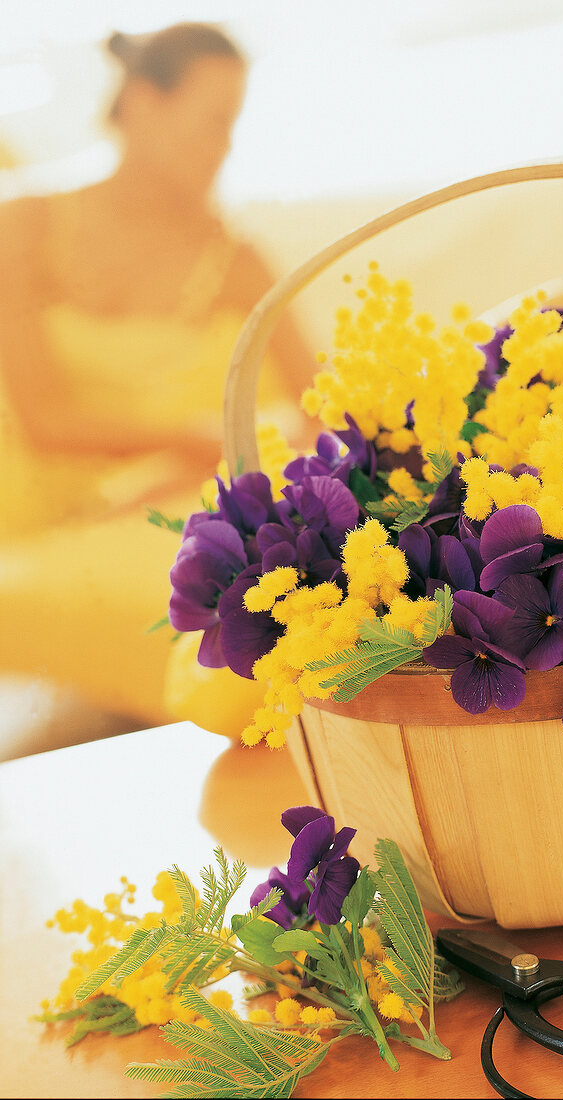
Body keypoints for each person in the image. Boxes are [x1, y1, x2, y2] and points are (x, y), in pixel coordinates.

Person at [0, 23, 315, 754]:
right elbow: (43, 416)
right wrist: (194, 440)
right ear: (142, 103)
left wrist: (191, 461)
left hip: (179, 496)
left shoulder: (235, 260)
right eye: (212, 122)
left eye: (233, 127)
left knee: (230, 587)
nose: (224, 147)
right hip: (44, 502)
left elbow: (318, 407)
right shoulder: (28, 226)